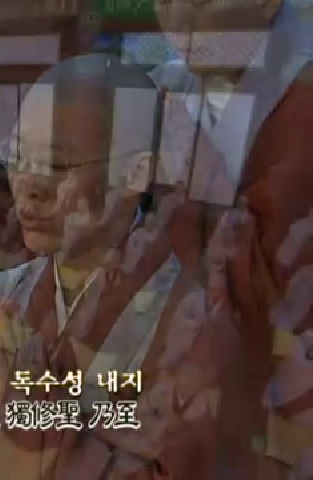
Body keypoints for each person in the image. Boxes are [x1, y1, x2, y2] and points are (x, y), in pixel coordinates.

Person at [0, 54, 252, 479]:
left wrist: (21, 440)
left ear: (134, 174)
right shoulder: (1, 299)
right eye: (18, 157)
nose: (28, 187)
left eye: (56, 166)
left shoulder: (197, 335)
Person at [152, 0, 313, 476]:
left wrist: (198, 191)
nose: (178, 19)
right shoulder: (171, 87)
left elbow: (271, 272)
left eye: (199, 1)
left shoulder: (303, 103)